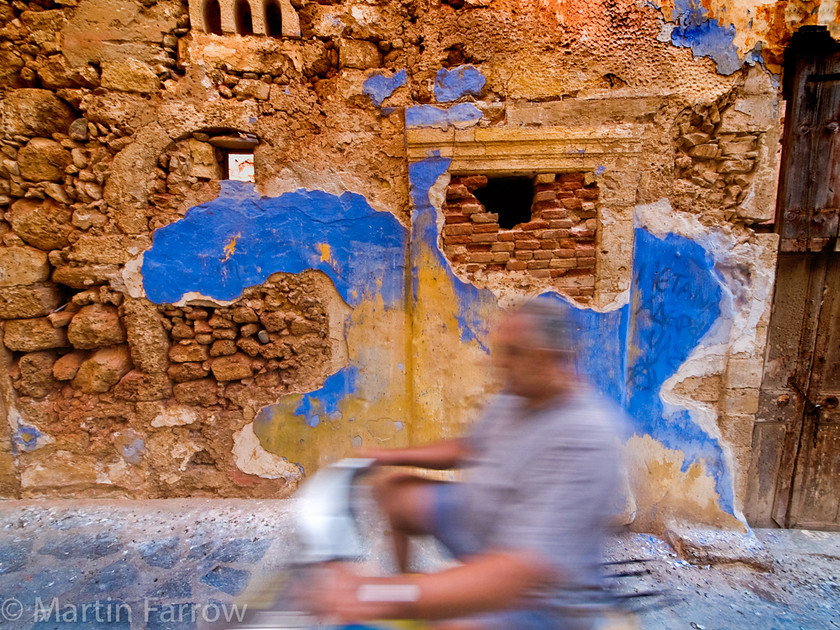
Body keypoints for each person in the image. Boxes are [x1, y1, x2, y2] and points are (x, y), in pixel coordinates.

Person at [311, 299, 624, 630]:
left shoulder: (586, 436)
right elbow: (468, 447)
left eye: (513, 352)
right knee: (393, 490)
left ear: (551, 358)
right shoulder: (517, 396)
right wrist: (388, 457)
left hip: (543, 597)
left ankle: (424, 603)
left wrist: (373, 595)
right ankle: (415, 606)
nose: (499, 363)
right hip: (479, 517)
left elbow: (522, 571)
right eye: (501, 350)